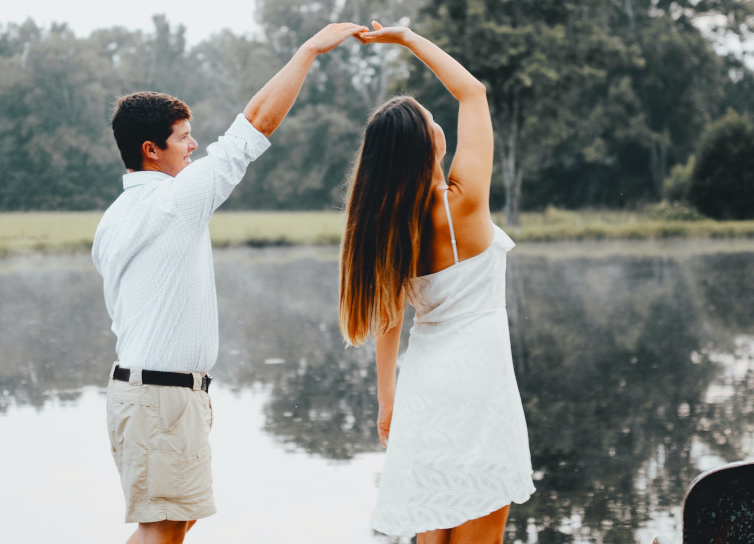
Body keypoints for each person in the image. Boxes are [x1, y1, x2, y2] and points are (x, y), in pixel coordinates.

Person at [92, 22, 368, 544]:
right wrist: (308, 51)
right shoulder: (174, 203)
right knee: (164, 528)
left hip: (153, 394)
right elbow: (252, 129)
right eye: (183, 137)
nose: (193, 145)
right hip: (160, 397)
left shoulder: (117, 216)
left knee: (174, 523)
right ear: (152, 149)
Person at [339, 22, 536, 543]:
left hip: (426, 387)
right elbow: (472, 91)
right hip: (479, 388)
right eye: (429, 117)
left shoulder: (389, 230)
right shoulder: (463, 203)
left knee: (433, 531)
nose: (436, 118)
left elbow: (388, 316)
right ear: (428, 139)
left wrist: (387, 400)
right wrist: (408, 39)